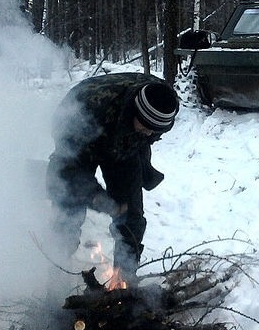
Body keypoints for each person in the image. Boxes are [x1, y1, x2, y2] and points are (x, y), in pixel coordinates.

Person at [46, 72, 179, 285]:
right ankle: (54, 277)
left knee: (131, 215)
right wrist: (97, 197)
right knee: (69, 209)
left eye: (154, 131)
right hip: (81, 138)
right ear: (135, 112)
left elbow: (146, 132)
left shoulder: (163, 101)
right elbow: (72, 169)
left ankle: (124, 280)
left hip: (123, 145)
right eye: (145, 127)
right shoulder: (85, 110)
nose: (149, 134)